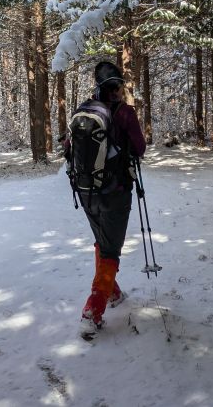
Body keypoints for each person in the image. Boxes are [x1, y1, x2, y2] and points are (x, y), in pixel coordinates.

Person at [71, 60, 146, 332]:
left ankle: (112, 292)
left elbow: (69, 146)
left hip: (86, 190)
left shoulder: (84, 110)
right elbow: (139, 148)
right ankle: (93, 309)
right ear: (117, 86)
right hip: (115, 191)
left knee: (103, 242)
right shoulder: (124, 112)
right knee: (111, 250)